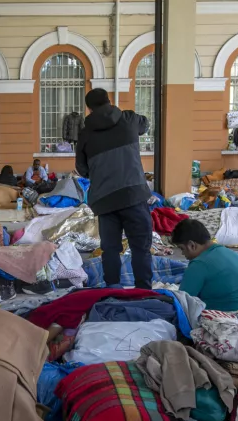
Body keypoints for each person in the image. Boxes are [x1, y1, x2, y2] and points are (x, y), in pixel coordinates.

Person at [75, 88, 152, 289]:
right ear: (109, 100)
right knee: (140, 248)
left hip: (105, 199)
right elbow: (145, 125)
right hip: (133, 194)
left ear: (89, 108)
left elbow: (82, 169)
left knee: (110, 249)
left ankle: (113, 290)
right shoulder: (129, 119)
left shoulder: (85, 134)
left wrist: (101, 173)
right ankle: (143, 291)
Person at [171, 219, 238, 312]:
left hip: (228, 316)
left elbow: (182, 302)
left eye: (182, 248)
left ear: (192, 245)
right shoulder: (228, 252)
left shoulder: (199, 264)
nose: (183, 254)